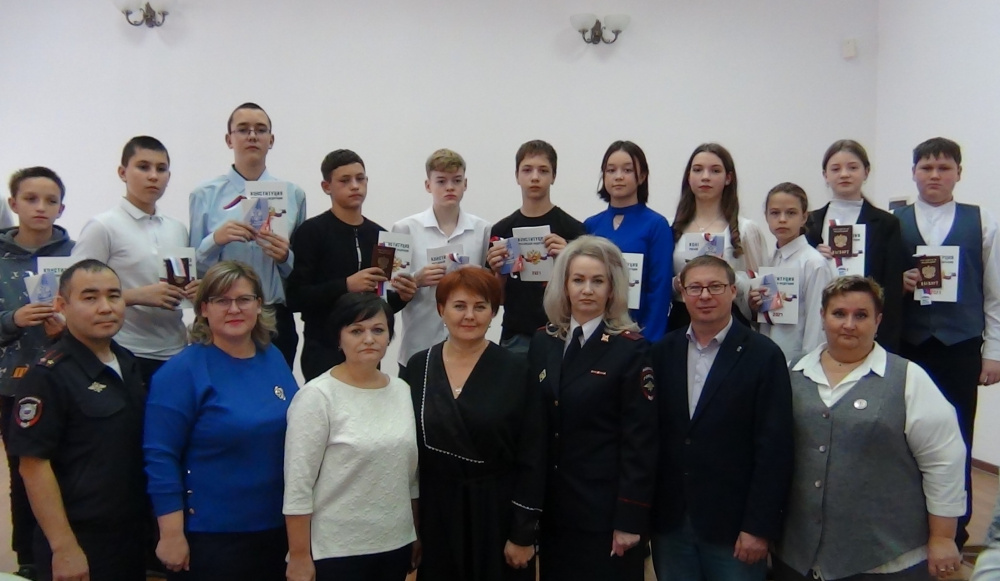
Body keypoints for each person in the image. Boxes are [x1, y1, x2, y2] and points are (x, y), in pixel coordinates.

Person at [774, 276, 966, 580]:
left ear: (878, 321)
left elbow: (944, 461)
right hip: (797, 556)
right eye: (839, 314)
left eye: (861, 315)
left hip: (884, 559)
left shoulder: (909, 378)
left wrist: (943, 537)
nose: (849, 324)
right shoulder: (791, 372)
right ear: (823, 316)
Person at [143, 260, 298, 580]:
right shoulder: (182, 371)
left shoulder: (272, 357)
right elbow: (160, 456)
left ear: (259, 305)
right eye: (222, 301)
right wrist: (171, 534)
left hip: (276, 526)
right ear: (203, 309)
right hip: (212, 535)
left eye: (244, 299)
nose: (234, 309)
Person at [651, 255, 793, 580]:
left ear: (732, 291)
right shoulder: (661, 352)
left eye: (715, 286)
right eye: (695, 288)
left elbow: (775, 449)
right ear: (682, 293)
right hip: (671, 524)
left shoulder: (763, 355)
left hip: (734, 528)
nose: (705, 295)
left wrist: (759, 527)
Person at [401, 268, 545, 581]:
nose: (469, 316)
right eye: (459, 306)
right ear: (441, 309)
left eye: (480, 306)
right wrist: (411, 526)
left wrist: (523, 533)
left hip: (497, 514)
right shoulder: (418, 366)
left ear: (494, 312)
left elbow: (534, 455)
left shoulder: (517, 369)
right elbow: (407, 455)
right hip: (437, 514)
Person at [7, 259, 148, 581]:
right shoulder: (47, 376)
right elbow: (33, 466)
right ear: (62, 305)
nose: (105, 307)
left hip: (128, 533)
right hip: (79, 539)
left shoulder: (126, 362)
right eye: (90, 297)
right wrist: (63, 547)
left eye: (114, 296)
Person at [528, 235, 657, 581]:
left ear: (612, 289)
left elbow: (640, 442)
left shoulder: (631, 349)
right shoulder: (544, 341)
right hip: (555, 511)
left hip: (606, 515)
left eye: (598, 281)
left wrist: (630, 519)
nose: (587, 290)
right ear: (564, 286)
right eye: (578, 280)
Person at [894, 137, 1000, 549]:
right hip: (908, 344)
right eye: (926, 168)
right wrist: (897, 283)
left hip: (960, 344)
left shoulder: (982, 221)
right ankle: (908, 528)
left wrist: (994, 352)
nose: (934, 175)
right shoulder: (894, 221)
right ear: (914, 172)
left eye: (944, 168)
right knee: (904, 436)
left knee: (958, 436)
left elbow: (994, 293)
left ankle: (955, 531)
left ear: (959, 172)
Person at [284, 293, 418, 581]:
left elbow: (410, 477)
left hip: (395, 543)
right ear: (339, 338)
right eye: (356, 331)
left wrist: (415, 533)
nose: (369, 339)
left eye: (378, 330)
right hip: (336, 550)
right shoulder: (317, 396)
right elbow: (298, 485)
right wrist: (299, 555)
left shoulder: (402, 391)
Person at [71, 135, 197, 386]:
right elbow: (76, 292)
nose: (153, 176)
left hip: (177, 349)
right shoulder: (103, 226)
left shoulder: (177, 228)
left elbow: (182, 283)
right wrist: (137, 295)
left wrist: (196, 291)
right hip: (124, 350)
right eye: (143, 167)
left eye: (161, 169)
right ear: (122, 172)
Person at [188, 102, 307, 366]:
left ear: (271, 140)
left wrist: (285, 257)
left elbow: (301, 271)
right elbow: (193, 269)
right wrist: (215, 240)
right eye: (243, 129)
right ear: (229, 139)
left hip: (273, 316)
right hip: (223, 313)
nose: (252, 136)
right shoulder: (204, 194)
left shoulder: (293, 194)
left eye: (260, 130)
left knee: (276, 388)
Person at [0, 167, 74, 579]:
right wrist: (13, 319)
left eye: (50, 200)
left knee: (67, 464)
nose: (40, 207)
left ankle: (67, 547)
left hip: (67, 378)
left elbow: (93, 307)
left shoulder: (75, 255)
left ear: (62, 208)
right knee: (24, 469)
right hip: (12, 383)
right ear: (13, 204)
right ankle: (27, 557)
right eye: (30, 199)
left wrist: (70, 327)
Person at [286, 149, 417, 381]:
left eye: (360, 178)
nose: (355, 186)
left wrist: (403, 297)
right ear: (326, 186)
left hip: (367, 348)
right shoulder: (311, 232)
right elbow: (296, 297)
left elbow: (382, 302)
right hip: (323, 347)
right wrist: (346, 285)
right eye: (345, 180)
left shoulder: (380, 236)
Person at [391, 148, 491, 375]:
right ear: (428, 185)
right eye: (441, 181)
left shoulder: (482, 229)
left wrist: (474, 276)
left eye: (456, 180)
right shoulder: (404, 228)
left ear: (465, 184)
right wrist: (417, 279)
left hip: (469, 345)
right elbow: (389, 289)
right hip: (419, 343)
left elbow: (490, 284)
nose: (450, 187)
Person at [805, 139, 907, 352]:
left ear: (866, 172)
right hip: (819, 324)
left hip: (866, 327)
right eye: (836, 169)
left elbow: (892, 288)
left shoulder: (887, 223)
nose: (844, 174)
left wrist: (887, 341)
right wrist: (812, 255)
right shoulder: (809, 222)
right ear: (825, 175)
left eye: (852, 167)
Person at [486, 140, 586, 355]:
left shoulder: (573, 229)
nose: (535, 177)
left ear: (554, 176)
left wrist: (569, 257)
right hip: (516, 335)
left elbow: (586, 290)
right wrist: (498, 273)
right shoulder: (502, 230)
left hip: (562, 333)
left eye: (543, 170)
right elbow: (497, 300)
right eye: (527, 170)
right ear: (517, 176)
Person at [669, 143, 767, 330]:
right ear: (688, 176)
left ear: (728, 178)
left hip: (730, 320)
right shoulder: (670, 227)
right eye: (698, 170)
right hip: (681, 320)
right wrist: (677, 282)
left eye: (715, 171)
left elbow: (759, 290)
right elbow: (656, 286)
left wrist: (725, 275)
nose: (705, 177)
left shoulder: (746, 230)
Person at [584, 140, 673, 343]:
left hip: (638, 334)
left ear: (642, 176)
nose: (618, 176)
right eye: (611, 170)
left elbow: (659, 290)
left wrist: (648, 341)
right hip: (595, 334)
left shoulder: (656, 225)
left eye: (627, 170)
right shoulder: (591, 225)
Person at [751, 183, 836, 362]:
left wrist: (809, 365)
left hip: (798, 362)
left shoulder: (814, 263)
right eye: (775, 213)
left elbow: (817, 324)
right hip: (768, 358)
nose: (782, 219)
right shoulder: (770, 260)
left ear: (804, 217)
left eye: (791, 213)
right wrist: (755, 305)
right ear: (766, 217)